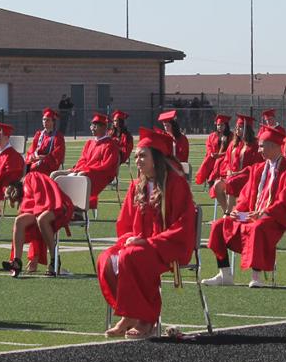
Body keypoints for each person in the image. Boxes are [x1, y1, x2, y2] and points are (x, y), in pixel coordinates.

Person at [98, 129, 196, 338]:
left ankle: (146, 320)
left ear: (156, 158)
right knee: (105, 259)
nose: (137, 161)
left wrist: (148, 242)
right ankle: (130, 313)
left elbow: (183, 225)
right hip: (141, 244)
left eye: (143, 156)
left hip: (169, 246)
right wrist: (129, 239)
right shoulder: (137, 186)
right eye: (136, 157)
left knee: (132, 256)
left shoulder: (175, 184)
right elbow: (125, 223)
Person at [203, 124, 286, 287]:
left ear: (274, 146)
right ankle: (225, 274)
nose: (259, 150)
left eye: (262, 146)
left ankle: (256, 277)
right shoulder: (258, 169)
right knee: (219, 225)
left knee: (258, 227)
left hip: (275, 217)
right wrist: (237, 211)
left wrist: (264, 213)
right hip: (253, 214)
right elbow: (246, 196)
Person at [5, 164, 74, 277]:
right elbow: (32, 206)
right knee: (20, 221)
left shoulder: (32, 176)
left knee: (42, 219)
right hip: (41, 208)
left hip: (58, 205)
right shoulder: (25, 190)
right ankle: (17, 261)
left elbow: (44, 196)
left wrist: (39, 210)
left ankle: (54, 260)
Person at [60, 112, 120, 208]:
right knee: (55, 174)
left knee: (80, 176)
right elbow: (83, 159)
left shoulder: (110, 145)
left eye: (95, 126)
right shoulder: (89, 143)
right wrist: (77, 169)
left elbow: (106, 165)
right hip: (84, 170)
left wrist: (86, 170)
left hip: (100, 175)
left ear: (104, 127)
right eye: (92, 125)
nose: (92, 128)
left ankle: (74, 207)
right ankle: (57, 204)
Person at [210, 115, 262, 214]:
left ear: (247, 129)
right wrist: (228, 171)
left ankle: (228, 213)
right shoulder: (234, 144)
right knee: (217, 185)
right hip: (232, 175)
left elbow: (257, 166)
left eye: (241, 127)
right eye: (237, 127)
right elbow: (226, 161)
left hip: (248, 177)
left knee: (232, 182)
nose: (237, 129)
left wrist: (239, 173)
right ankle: (228, 211)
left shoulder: (255, 145)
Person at [195, 115, 233, 186]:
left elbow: (231, 150)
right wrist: (212, 154)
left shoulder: (231, 136)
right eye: (218, 125)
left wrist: (220, 155)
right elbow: (208, 146)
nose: (219, 127)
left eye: (222, 125)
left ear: (226, 125)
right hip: (212, 161)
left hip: (225, 161)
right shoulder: (212, 136)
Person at [26, 108, 66, 175]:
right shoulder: (38, 134)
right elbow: (32, 149)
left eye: (48, 120)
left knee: (32, 168)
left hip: (48, 164)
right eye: (44, 119)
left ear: (53, 122)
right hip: (36, 161)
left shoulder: (58, 136)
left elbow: (58, 154)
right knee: (23, 167)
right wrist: (32, 157)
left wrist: (44, 158)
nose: (45, 122)